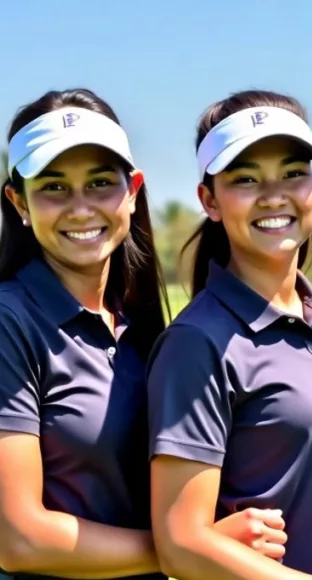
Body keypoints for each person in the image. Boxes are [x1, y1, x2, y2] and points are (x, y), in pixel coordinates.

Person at [0, 89, 286, 580]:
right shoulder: (10, 320)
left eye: (100, 183)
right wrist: (191, 545)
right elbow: (18, 537)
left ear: (132, 190)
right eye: (53, 187)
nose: (81, 207)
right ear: (17, 201)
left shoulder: (142, 327)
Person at [145, 90, 312, 580]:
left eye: (293, 173)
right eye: (246, 179)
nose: (274, 195)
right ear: (209, 199)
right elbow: (180, 544)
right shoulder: (196, 342)